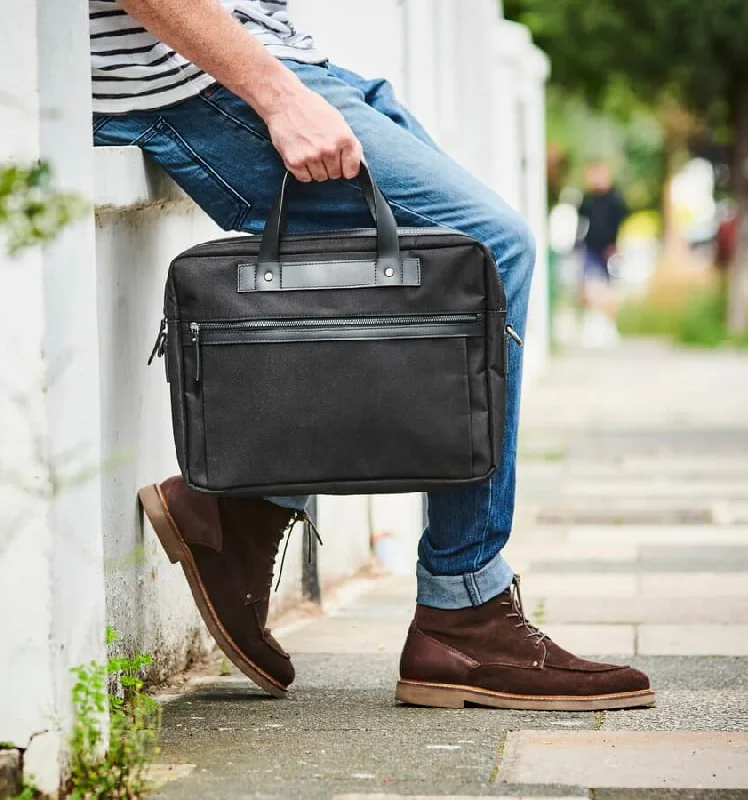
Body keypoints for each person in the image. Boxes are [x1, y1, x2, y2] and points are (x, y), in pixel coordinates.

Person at [90, 0, 654, 710]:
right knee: (486, 252)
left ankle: (245, 508)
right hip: (191, 82)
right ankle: (464, 604)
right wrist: (276, 94)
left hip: (282, 64)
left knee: (427, 277)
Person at [577, 162, 628, 346]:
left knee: (609, 289)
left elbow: (620, 225)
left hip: (608, 250)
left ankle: (609, 327)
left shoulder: (615, 199)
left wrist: (615, 246)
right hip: (590, 249)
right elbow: (581, 223)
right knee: (588, 288)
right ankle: (591, 327)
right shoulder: (588, 199)